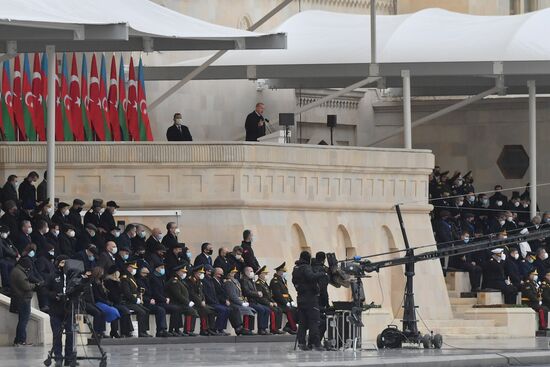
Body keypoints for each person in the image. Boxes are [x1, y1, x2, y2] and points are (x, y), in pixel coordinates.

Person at [292, 250, 327, 351]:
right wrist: (321, 273)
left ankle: (302, 343)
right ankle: (316, 344)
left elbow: (295, 282)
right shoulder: (306, 267)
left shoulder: (296, 268)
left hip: (300, 298)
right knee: (314, 321)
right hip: (310, 299)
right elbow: (311, 277)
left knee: (302, 322)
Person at [45, 255, 75, 365]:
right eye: (62, 263)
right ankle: (58, 357)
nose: (64, 265)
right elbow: (45, 290)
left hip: (69, 309)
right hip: (56, 310)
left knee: (70, 334)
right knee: (57, 334)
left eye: (66, 263)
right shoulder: (52, 276)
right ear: (58, 263)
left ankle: (69, 357)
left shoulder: (72, 276)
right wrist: (55, 295)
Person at [10, 257, 40, 346]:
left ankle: (17, 340)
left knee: (21, 320)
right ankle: (21, 341)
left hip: (20, 298)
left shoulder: (17, 270)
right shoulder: (19, 272)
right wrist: (35, 285)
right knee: (23, 321)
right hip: (23, 299)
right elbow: (26, 286)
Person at [135, 265, 171, 337]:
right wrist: (149, 300)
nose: (146, 275)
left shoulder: (147, 281)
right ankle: (143, 331)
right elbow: (140, 294)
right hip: (144, 302)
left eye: (147, 273)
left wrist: (152, 299)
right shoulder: (138, 281)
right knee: (145, 310)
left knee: (161, 310)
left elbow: (151, 292)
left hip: (150, 301)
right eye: (144, 273)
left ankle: (161, 330)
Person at [120, 261, 152, 337]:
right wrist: (135, 300)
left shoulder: (131, 277)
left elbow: (136, 290)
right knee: (141, 312)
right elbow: (127, 293)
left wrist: (138, 297)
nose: (134, 270)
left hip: (133, 300)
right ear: (128, 268)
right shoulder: (125, 278)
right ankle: (141, 332)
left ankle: (144, 330)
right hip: (127, 301)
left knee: (146, 310)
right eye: (133, 268)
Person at [165, 264, 199, 336]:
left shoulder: (180, 280)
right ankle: (180, 330)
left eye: (185, 272)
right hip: (175, 302)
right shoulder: (174, 281)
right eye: (182, 272)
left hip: (180, 303)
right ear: (177, 272)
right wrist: (187, 302)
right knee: (190, 311)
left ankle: (186, 330)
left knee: (193, 311)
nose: (184, 274)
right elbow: (177, 294)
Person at [103, 266, 134, 338]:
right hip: (112, 302)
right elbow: (113, 295)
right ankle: (121, 331)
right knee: (124, 310)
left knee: (125, 310)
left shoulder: (118, 281)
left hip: (118, 302)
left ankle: (126, 331)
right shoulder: (108, 282)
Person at [223, 266, 255, 335]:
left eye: (234, 273)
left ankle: (250, 328)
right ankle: (244, 328)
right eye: (232, 273)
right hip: (233, 303)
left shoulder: (236, 281)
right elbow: (232, 296)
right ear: (229, 274)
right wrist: (241, 303)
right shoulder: (228, 282)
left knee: (252, 309)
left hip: (238, 302)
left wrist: (244, 301)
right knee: (247, 311)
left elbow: (240, 293)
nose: (233, 274)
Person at [186, 265, 217, 336]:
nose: (201, 275)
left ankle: (210, 329)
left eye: (201, 273)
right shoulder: (190, 280)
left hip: (200, 302)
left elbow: (202, 293)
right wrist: (200, 302)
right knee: (204, 310)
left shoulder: (199, 281)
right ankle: (203, 329)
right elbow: (192, 294)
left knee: (212, 310)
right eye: (199, 273)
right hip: (193, 303)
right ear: (195, 273)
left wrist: (203, 300)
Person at [241, 266, 270, 335]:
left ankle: (264, 328)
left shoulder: (251, 280)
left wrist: (258, 294)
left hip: (254, 301)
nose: (252, 273)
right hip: (248, 301)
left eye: (252, 271)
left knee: (266, 309)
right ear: (246, 272)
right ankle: (260, 329)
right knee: (261, 310)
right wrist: (257, 293)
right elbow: (246, 292)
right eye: (250, 271)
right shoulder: (244, 280)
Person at [202, 264, 230, 335]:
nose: (209, 273)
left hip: (214, 302)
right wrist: (214, 302)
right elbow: (206, 294)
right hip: (210, 302)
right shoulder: (204, 281)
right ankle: (217, 328)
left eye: (210, 271)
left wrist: (216, 302)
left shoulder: (210, 280)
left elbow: (214, 293)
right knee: (222, 309)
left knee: (227, 309)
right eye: (208, 271)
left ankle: (221, 329)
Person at [255, 265, 283, 334]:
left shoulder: (264, 283)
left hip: (268, 302)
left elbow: (269, 296)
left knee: (279, 309)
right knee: (273, 311)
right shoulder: (258, 283)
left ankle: (277, 328)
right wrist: (268, 303)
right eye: (265, 273)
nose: (266, 275)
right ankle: (271, 328)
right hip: (263, 303)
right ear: (260, 274)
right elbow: (261, 297)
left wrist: (273, 301)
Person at [270, 262, 297, 334]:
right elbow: (277, 294)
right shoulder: (275, 281)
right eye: (283, 271)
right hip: (279, 302)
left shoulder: (283, 280)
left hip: (285, 301)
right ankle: (293, 328)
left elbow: (287, 293)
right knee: (289, 310)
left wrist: (291, 301)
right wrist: (286, 302)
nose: (284, 273)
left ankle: (288, 327)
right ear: (279, 271)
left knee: (295, 309)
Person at [0, 225, 19, 292]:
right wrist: (15, 254)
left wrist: (17, 254)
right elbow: (5, 250)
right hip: (2, 258)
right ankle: (6, 286)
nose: (6, 235)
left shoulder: (7, 240)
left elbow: (14, 248)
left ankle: (11, 286)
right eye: (6, 233)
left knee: (13, 264)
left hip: (8, 258)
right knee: (5, 264)